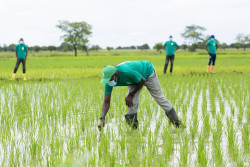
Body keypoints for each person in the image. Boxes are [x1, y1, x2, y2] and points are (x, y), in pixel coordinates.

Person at [98, 61, 184, 131]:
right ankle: (134, 130)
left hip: (147, 73)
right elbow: (106, 101)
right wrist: (102, 118)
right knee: (131, 103)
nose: (109, 81)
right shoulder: (109, 82)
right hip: (134, 79)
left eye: (110, 79)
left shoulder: (127, 72)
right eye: (107, 80)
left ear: (115, 75)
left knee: (159, 98)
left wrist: (131, 94)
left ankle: (178, 125)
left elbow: (142, 80)